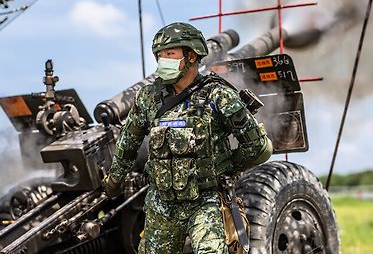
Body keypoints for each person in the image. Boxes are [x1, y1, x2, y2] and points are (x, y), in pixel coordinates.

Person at [103, 22, 273, 254]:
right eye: (160, 55)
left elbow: (259, 147)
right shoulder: (149, 97)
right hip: (161, 204)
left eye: (170, 53)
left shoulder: (219, 95)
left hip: (206, 202)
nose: (164, 60)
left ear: (191, 55)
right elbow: (128, 142)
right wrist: (114, 180)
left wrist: (225, 168)